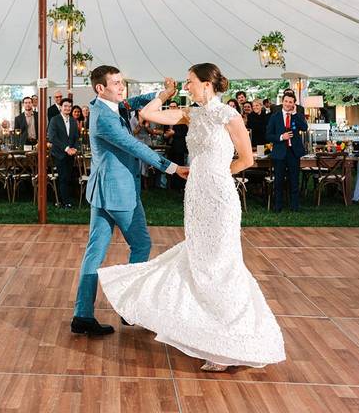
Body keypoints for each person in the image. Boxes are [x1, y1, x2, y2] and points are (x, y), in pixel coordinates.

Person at [100, 62, 285, 372]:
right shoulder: (191, 114)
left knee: (221, 265)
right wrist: (165, 93)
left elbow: (247, 158)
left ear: (206, 84)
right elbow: (147, 115)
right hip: (195, 198)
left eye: (189, 82)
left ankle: (228, 343)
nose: (186, 87)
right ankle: (207, 333)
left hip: (219, 198)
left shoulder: (229, 115)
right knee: (199, 262)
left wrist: (215, 174)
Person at [70, 66, 187, 337]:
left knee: (94, 253)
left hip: (102, 191)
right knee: (141, 243)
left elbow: (133, 103)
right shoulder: (104, 119)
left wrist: (163, 93)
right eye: (116, 83)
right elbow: (136, 146)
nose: (122, 87)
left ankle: (82, 315)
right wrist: (172, 167)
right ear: (100, 88)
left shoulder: (109, 105)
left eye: (122, 82)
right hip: (118, 192)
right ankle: (129, 309)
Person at [266, 91, 309, 212]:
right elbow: (268, 135)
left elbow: (304, 128)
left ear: (294, 103)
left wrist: (295, 114)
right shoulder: (275, 116)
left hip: (293, 153)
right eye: (286, 101)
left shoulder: (298, 115)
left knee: (294, 180)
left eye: (290, 102)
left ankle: (295, 207)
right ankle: (278, 207)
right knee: (278, 181)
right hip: (279, 153)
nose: (288, 104)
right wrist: (281, 137)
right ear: (282, 102)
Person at [47, 98, 80, 208]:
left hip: (71, 154)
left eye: (69, 106)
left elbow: (76, 137)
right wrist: (66, 148)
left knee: (68, 177)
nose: (67, 108)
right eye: (65, 106)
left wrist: (75, 148)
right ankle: (66, 202)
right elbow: (52, 137)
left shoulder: (73, 121)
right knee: (63, 177)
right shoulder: (54, 120)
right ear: (61, 107)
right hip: (59, 153)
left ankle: (63, 200)